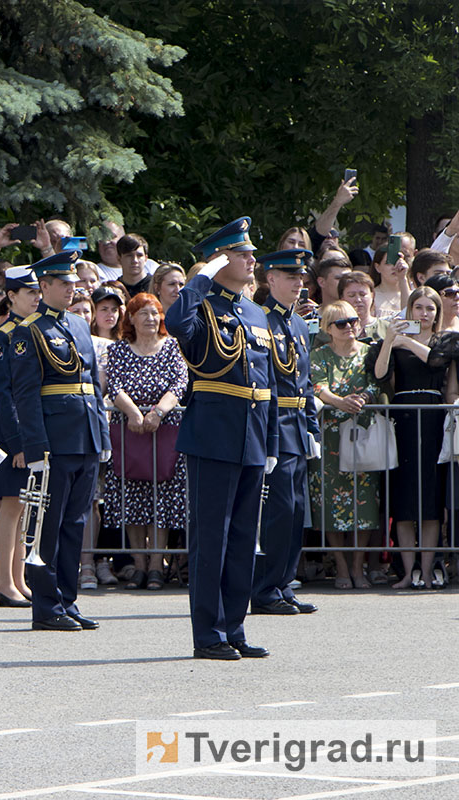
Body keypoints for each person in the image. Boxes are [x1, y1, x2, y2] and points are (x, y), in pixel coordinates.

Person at [166, 217, 277, 661]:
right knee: (212, 538)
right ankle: (207, 633)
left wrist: (269, 443)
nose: (252, 260)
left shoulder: (254, 312)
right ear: (220, 259)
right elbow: (177, 326)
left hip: (251, 436)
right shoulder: (200, 305)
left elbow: (267, 384)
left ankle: (234, 627)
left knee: (243, 538)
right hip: (212, 435)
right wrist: (198, 280)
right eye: (242, 253)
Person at [11, 248, 109, 633]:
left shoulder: (79, 325)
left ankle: (67, 600)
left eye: (74, 282)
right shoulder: (28, 331)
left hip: (84, 437)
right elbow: (25, 395)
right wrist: (35, 448)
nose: (72, 288)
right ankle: (46, 605)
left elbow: (92, 383)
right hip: (54, 442)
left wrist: (100, 435)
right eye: (63, 283)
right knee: (47, 526)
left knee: (74, 523)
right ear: (45, 285)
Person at [249, 250, 320, 615]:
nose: (298, 283)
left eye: (301, 277)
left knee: (294, 511)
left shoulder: (297, 325)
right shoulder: (260, 322)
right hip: (274, 426)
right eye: (290, 277)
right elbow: (266, 383)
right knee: (276, 512)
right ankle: (263, 589)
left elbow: (304, 383)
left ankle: (282, 582)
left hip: (295, 425)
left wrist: (312, 427)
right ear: (270, 279)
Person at [103, 292, 188, 592]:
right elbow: (113, 385)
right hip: (128, 428)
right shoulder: (118, 351)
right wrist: (134, 413)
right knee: (132, 497)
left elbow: (179, 383)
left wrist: (157, 413)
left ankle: (157, 565)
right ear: (132, 318)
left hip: (164, 428)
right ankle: (139, 564)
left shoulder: (172, 347)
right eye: (144, 313)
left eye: (155, 313)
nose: (151, 319)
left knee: (161, 499)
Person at [372, 287, 450, 589]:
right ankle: (407, 573)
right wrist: (391, 341)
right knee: (404, 499)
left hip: (432, 416)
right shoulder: (394, 341)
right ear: (409, 310)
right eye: (418, 307)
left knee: (431, 500)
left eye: (430, 308)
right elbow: (380, 375)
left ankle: (427, 571)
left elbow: (436, 362)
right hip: (403, 418)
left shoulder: (444, 340)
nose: (424, 314)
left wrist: (406, 341)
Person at [309, 301, 382, 588]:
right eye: (341, 323)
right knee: (328, 503)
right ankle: (340, 565)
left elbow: (377, 381)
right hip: (329, 439)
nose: (349, 326)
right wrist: (340, 402)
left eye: (352, 321)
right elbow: (317, 385)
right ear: (328, 329)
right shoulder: (319, 354)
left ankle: (357, 565)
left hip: (361, 435)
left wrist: (362, 398)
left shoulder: (367, 352)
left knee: (364, 503)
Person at [0, 267, 41, 607]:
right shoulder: (1, 335)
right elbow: (3, 394)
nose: (36, 297)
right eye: (29, 292)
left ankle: (19, 580)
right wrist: (18, 441)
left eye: (37, 291)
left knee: (24, 507)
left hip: (31, 429)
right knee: (11, 507)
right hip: (12, 432)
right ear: (12, 296)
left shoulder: (32, 330)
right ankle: (5, 583)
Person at [370, 245, 411, 318]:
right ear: (377, 267)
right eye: (388, 263)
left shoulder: (413, 294)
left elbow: (409, 316)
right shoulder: (371, 296)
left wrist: (403, 278)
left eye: (397, 262)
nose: (394, 267)